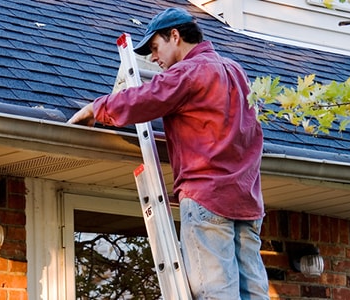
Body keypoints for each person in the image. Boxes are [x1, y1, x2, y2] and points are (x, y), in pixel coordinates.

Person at [68, 7, 270, 300]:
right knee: (253, 294)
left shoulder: (189, 72)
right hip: (247, 201)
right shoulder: (236, 72)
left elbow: (145, 99)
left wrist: (95, 108)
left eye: (155, 47)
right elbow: (250, 132)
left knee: (216, 294)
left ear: (175, 36)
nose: (152, 58)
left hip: (207, 197)